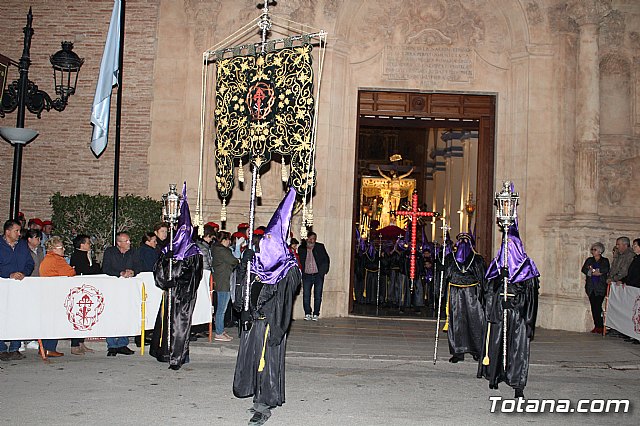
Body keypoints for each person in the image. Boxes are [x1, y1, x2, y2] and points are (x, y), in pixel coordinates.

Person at [233, 188, 302, 426]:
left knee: (267, 363)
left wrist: (285, 266)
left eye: (270, 242)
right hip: (254, 322)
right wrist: (244, 265)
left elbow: (288, 291)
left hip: (271, 323)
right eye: (265, 242)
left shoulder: (287, 269)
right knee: (252, 361)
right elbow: (243, 289)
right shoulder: (257, 264)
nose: (265, 247)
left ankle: (263, 407)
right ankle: (256, 396)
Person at [477, 221, 540, 399]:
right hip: (499, 313)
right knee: (497, 343)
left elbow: (531, 297)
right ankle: (495, 375)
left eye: (512, 245)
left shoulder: (528, 268)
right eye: (506, 245)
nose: (508, 249)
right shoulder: (497, 266)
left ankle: (517, 383)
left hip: (518, 315)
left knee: (517, 349)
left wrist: (514, 304)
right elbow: (486, 290)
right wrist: (499, 287)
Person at [149, 183, 203, 370]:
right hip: (171, 292)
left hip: (184, 294)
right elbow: (158, 268)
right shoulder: (169, 249)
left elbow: (195, 275)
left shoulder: (194, 252)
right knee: (166, 321)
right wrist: (166, 274)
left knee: (180, 324)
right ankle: (165, 351)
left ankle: (178, 355)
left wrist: (178, 281)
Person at [442, 233, 487, 363]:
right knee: (456, 322)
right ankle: (458, 351)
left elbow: (482, 277)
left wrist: (484, 295)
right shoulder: (450, 258)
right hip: (455, 293)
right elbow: (446, 276)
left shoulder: (477, 259)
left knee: (475, 321)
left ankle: (477, 350)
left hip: (472, 294)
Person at [0, 219, 34, 361]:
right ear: (7, 232)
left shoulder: (22, 246)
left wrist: (23, 272)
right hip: (2, 284)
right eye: (16, 231)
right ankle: (1, 348)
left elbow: (30, 262)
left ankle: (15, 347)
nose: (19, 234)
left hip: (19, 286)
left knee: (18, 316)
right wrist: (9, 274)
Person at [39, 236, 77, 357]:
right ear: (54, 248)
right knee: (54, 322)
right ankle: (49, 348)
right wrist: (72, 269)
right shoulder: (57, 259)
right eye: (61, 247)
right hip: (55, 294)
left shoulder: (47, 259)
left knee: (48, 321)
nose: (63, 249)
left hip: (47, 293)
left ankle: (44, 348)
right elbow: (70, 272)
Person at [101, 232, 136, 356]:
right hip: (112, 288)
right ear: (119, 243)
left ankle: (122, 343)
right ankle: (111, 345)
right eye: (126, 241)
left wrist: (133, 272)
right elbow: (105, 269)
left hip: (127, 288)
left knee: (125, 314)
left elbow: (139, 266)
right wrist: (120, 273)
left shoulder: (133, 252)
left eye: (129, 240)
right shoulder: (110, 252)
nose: (129, 243)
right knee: (111, 315)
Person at [68, 234, 99, 354]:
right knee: (78, 315)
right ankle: (74, 345)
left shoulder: (87, 254)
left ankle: (81, 343)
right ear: (81, 244)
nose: (89, 244)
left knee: (84, 316)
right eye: (87, 242)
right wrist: (95, 268)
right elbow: (84, 270)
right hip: (79, 288)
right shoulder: (77, 256)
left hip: (86, 288)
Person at [211, 231, 239, 342]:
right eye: (228, 240)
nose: (229, 242)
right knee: (221, 309)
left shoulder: (218, 249)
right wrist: (237, 260)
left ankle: (221, 330)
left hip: (224, 280)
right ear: (223, 240)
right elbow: (233, 261)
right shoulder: (221, 250)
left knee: (223, 308)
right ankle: (218, 332)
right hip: (223, 281)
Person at [298, 231, 330, 321]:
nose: (313, 241)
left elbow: (326, 259)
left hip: (317, 275)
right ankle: (307, 313)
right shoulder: (302, 249)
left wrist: (322, 272)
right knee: (306, 295)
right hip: (307, 276)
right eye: (311, 239)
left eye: (314, 239)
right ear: (307, 239)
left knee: (318, 295)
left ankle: (316, 313)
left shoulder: (320, 247)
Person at [581, 242, 609, 334]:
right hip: (591, 287)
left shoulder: (604, 260)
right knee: (593, 306)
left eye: (595, 249)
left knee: (597, 305)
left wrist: (599, 271)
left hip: (600, 287)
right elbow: (584, 269)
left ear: (600, 251)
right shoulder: (589, 260)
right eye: (592, 249)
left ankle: (600, 325)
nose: (593, 251)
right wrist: (592, 273)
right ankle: (597, 326)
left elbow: (606, 269)